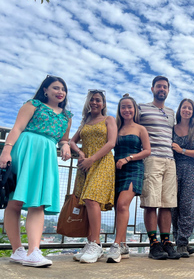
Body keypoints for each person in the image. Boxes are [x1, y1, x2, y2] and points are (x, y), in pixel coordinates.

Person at [0, 75, 72, 267]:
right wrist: (6, 152)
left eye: (63, 89)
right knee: (14, 201)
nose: (60, 92)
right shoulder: (33, 104)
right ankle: (17, 250)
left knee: (38, 203)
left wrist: (65, 145)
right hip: (25, 149)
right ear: (45, 90)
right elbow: (18, 128)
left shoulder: (66, 116)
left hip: (46, 155)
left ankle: (34, 251)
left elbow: (63, 138)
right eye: (56, 88)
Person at [69, 89, 117, 263]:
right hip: (85, 164)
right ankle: (91, 242)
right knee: (86, 202)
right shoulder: (85, 121)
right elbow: (72, 141)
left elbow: (112, 142)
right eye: (92, 100)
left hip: (102, 161)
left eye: (98, 100)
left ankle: (96, 244)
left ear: (103, 104)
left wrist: (92, 159)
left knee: (91, 199)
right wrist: (80, 153)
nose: (94, 103)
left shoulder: (109, 119)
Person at [138, 75, 180, 260]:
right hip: (152, 158)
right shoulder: (142, 109)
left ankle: (166, 242)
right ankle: (153, 243)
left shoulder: (171, 112)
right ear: (152, 88)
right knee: (151, 202)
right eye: (159, 86)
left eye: (165, 87)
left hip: (170, 161)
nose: (162, 89)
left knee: (167, 204)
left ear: (168, 90)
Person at [106, 94, 151, 263]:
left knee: (122, 204)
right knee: (118, 208)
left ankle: (116, 246)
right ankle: (123, 245)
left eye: (129, 107)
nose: (126, 110)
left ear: (134, 110)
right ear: (119, 110)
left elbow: (147, 151)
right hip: (116, 170)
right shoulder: (115, 127)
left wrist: (129, 158)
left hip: (134, 168)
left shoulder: (140, 129)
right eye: (123, 107)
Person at [171, 98, 194, 257]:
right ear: (180, 110)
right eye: (184, 107)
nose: (186, 110)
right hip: (173, 168)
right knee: (173, 206)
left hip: (191, 170)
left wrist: (181, 150)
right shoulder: (172, 128)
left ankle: (183, 242)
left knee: (187, 206)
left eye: (190, 108)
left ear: (193, 112)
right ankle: (179, 240)